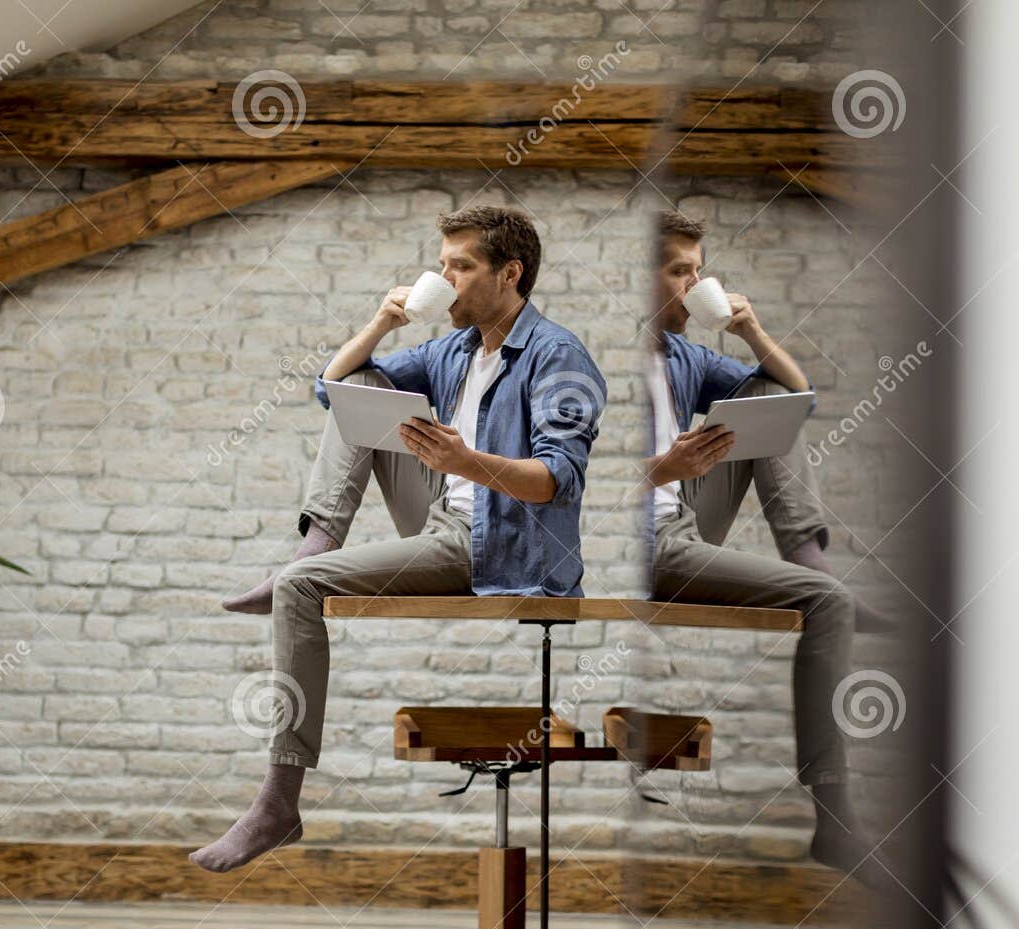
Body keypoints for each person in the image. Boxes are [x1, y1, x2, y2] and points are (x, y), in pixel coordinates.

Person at [193, 206, 605, 872]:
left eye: (461, 266)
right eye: (440, 264)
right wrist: (382, 323)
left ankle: (277, 803)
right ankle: (314, 546)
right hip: (446, 515)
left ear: (510, 274)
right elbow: (331, 389)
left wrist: (464, 460)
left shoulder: (559, 354)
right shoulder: (457, 348)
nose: (444, 277)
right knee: (361, 386)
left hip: (502, 543)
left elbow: (557, 480)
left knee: (299, 591)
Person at [644, 211, 892, 880]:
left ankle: (809, 560)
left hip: (682, 520)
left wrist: (749, 329)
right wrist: (667, 467)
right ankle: (835, 817)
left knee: (763, 396)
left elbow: (798, 398)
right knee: (830, 606)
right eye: (679, 271)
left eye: (700, 268)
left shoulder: (685, 359)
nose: (696, 281)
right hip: (638, 544)